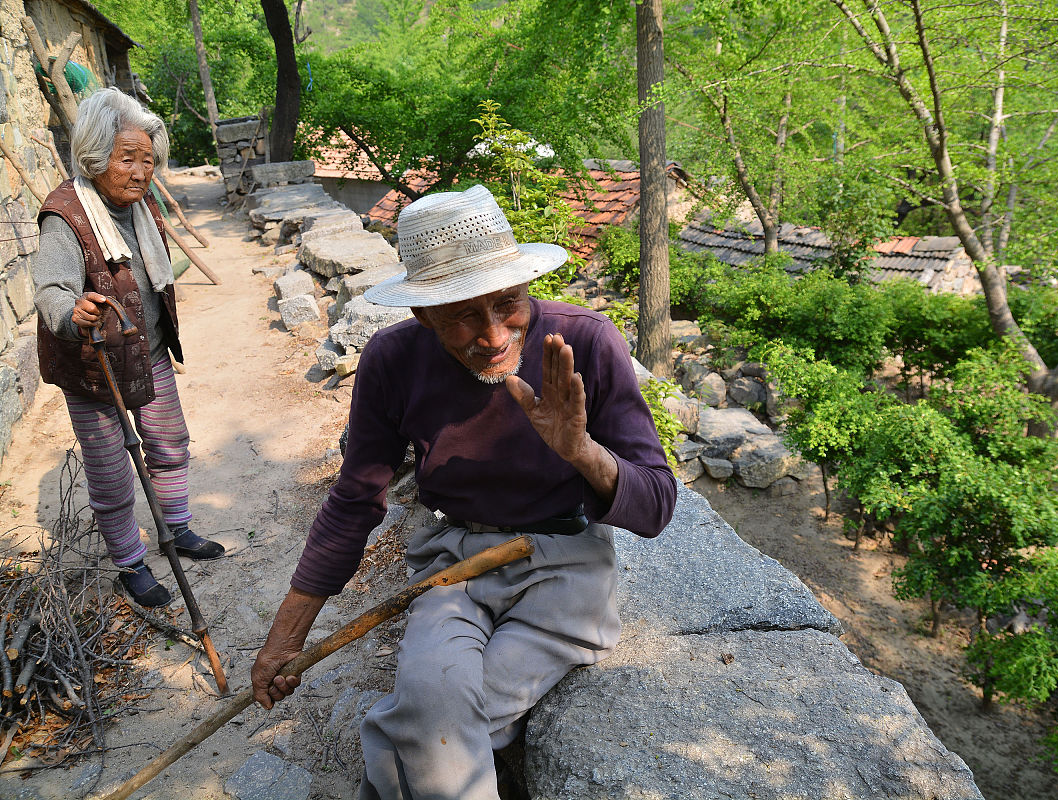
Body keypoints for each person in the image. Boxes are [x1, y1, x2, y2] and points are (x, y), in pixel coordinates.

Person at [251, 184, 677, 799]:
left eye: (507, 304)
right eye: (463, 316)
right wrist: (287, 635)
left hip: (566, 564)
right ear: (423, 315)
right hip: (454, 565)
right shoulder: (393, 359)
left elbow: (657, 504)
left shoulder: (584, 341)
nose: (495, 336)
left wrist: (582, 452)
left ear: (526, 286)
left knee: (431, 727)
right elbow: (355, 499)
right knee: (430, 701)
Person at [32, 88, 224, 608]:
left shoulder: (142, 206)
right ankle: (130, 563)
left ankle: (176, 528)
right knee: (112, 471)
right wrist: (73, 312)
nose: (141, 173)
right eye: (127, 159)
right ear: (96, 158)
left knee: (169, 443)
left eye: (148, 160)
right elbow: (51, 290)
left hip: (148, 352)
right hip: (93, 368)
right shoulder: (65, 215)